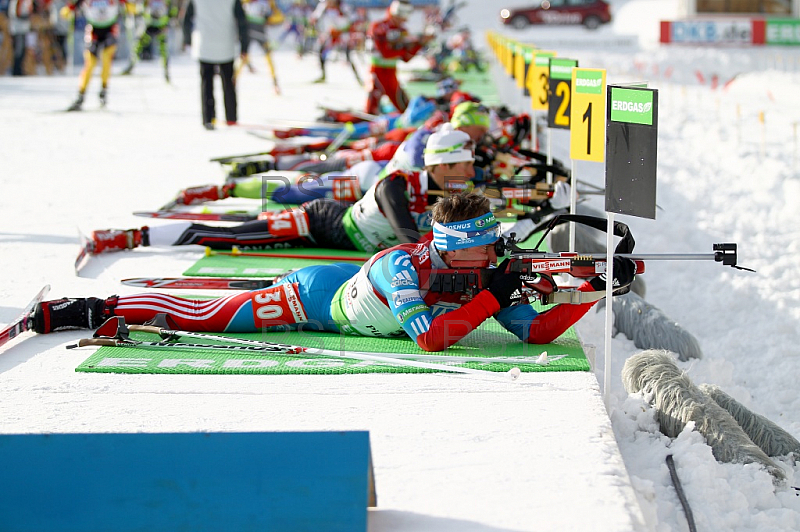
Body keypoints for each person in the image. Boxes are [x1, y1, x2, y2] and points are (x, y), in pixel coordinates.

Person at [31, 193, 636, 352]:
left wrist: (590, 291)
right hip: (311, 299)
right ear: (455, 247)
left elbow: (533, 332)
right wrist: (491, 298)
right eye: (486, 247)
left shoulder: (485, 275)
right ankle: (87, 310)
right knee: (205, 316)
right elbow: (429, 340)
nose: (496, 254)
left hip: (345, 295)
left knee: (217, 302)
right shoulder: (408, 265)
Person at [83, 124, 476, 254]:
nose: (470, 173)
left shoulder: (445, 185)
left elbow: (489, 198)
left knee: (251, 221)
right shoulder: (396, 184)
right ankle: (127, 237)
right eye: (464, 165)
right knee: (231, 235)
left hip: (341, 227)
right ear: (440, 164)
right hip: (321, 223)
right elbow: (409, 237)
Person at [181, 0, 249, 130]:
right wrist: (244, 45)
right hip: (226, 45)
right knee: (228, 84)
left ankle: (208, 119)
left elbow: (186, 19)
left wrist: (187, 40)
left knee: (206, 84)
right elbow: (241, 20)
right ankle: (231, 118)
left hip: (204, 45)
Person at [364, 0, 432, 115]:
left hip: (392, 74)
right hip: (377, 72)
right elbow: (385, 52)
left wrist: (420, 43)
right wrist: (408, 45)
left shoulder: (402, 31)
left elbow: (406, 58)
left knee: (405, 108)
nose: (402, 21)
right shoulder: (378, 27)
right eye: (401, 17)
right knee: (371, 110)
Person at [62, 0, 125, 111]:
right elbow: (73, 5)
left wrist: (131, 7)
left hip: (110, 29)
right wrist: (68, 10)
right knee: (90, 63)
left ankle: (103, 90)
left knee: (106, 59)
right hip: (93, 29)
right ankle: (81, 95)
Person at [120, 0, 177, 82]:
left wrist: (169, 23)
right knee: (138, 46)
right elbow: (141, 7)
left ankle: (166, 72)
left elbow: (172, 10)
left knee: (163, 50)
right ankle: (131, 66)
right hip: (149, 25)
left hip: (161, 26)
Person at [308, 0, 358, 85]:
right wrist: (315, 24)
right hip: (331, 33)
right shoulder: (323, 6)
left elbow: (353, 19)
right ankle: (323, 75)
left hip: (342, 33)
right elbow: (314, 18)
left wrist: (347, 30)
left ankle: (358, 78)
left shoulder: (342, 6)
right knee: (321, 50)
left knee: (348, 55)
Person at [237, 0, 279, 94]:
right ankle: (234, 79)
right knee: (244, 55)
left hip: (260, 32)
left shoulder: (269, 2)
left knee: (268, 56)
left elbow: (278, 16)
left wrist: (270, 19)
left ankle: (275, 82)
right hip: (250, 31)